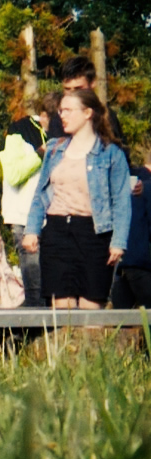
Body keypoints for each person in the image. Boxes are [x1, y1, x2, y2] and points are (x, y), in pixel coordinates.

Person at [24, 89, 132, 311]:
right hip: (56, 233)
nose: (62, 116)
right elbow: (40, 194)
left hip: (94, 235)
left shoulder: (111, 153)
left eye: (68, 110)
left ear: (87, 113)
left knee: (91, 310)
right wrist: (32, 230)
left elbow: (121, 201)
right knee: (62, 310)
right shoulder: (54, 149)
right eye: (60, 111)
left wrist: (118, 241)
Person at [0, 97, 50, 307]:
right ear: (43, 115)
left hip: (56, 218)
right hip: (24, 219)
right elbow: (13, 174)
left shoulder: (66, 134)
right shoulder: (18, 131)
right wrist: (40, 153)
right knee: (36, 293)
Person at [110, 147, 151, 309]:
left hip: (121, 262)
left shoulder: (122, 183)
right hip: (140, 262)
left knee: (122, 315)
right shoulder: (143, 185)